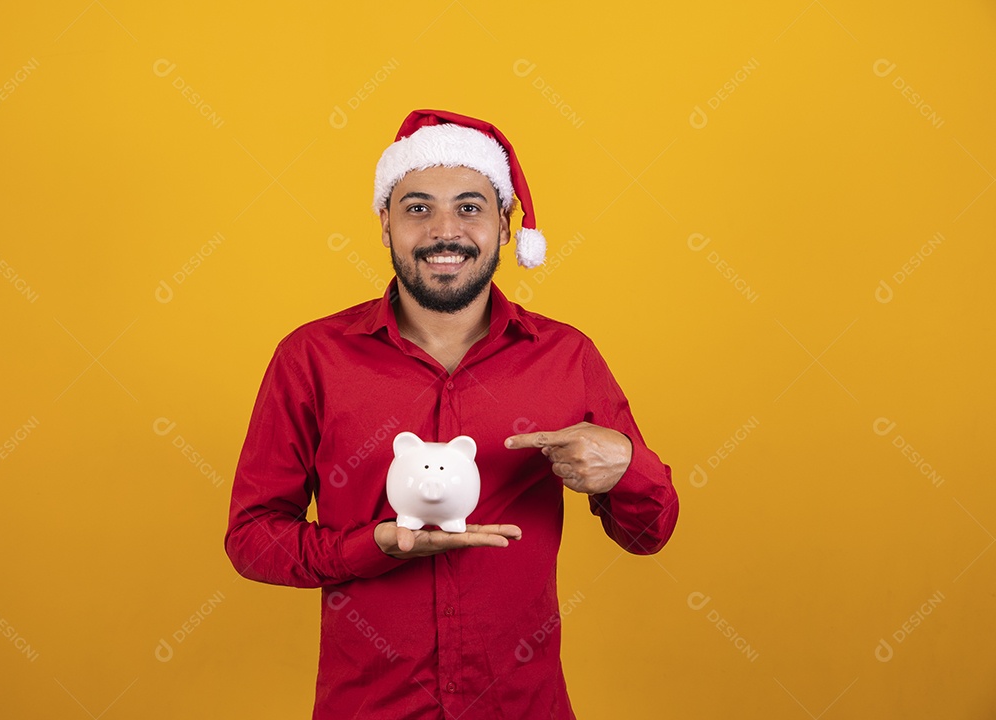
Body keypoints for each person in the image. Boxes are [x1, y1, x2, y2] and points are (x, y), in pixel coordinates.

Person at [225, 109, 679, 719]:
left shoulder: (566, 358)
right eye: (417, 208)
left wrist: (627, 467)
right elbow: (252, 539)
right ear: (385, 223)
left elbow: (649, 534)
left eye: (470, 207)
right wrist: (370, 547)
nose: (445, 231)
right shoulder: (312, 358)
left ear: (505, 224)